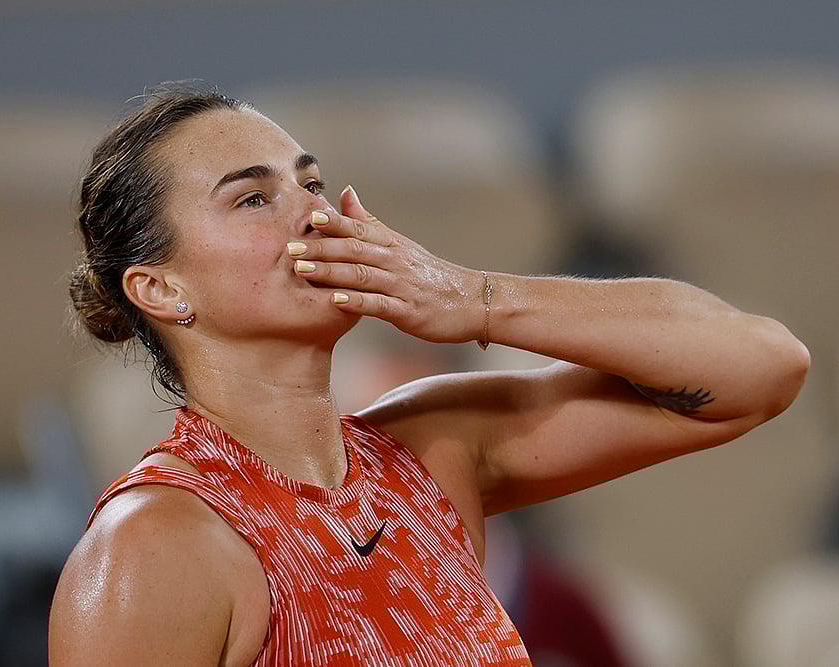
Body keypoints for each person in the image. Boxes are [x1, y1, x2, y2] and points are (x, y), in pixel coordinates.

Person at [48, 83, 810, 666]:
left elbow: (764, 367)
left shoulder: (435, 450)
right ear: (159, 289)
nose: (314, 216)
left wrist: (476, 297)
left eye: (311, 185)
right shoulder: (152, 545)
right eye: (253, 198)